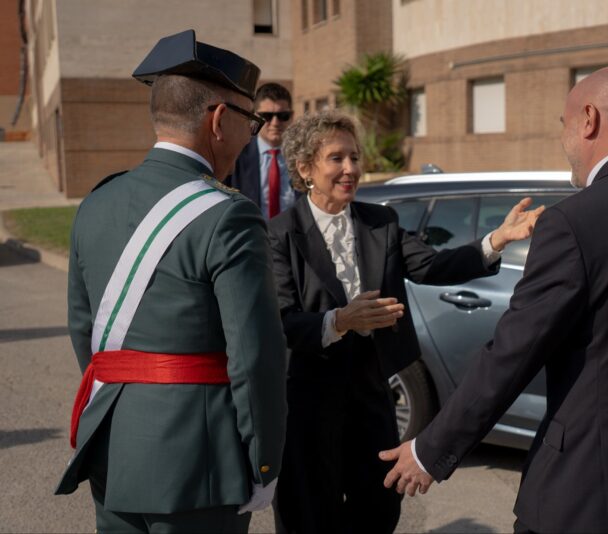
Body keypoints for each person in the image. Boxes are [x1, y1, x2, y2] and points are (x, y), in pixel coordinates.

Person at [381, 66, 608, 534]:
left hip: (594, 493)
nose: (563, 139)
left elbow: (513, 354)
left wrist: (430, 450)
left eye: (563, 124)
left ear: (588, 119)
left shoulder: (572, 222)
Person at [266, 110, 544, 533]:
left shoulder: (382, 222)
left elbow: (434, 266)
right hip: (307, 401)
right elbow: (282, 320)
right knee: (308, 513)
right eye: (337, 158)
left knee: (379, 507)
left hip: (371, 397)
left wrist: (497, 239)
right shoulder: (279, 234)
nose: (350, 168)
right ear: (305, 168)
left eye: (354, 157)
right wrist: (339, 321)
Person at [54, 30, 287, 533]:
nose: (251, 136)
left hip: (113, 447)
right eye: (250, 122)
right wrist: (264, 463)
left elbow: (85, 333)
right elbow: (255, 356)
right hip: (200, 465)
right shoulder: (229, 215)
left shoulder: (96, 202)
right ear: (219, 120)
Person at [226, 82, 298, 218]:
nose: (275, 123)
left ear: (292, 116)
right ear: (255, 116)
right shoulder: (237, 155)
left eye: (283, 115)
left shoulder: (303, 156)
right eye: (267, 116)